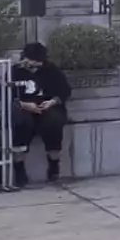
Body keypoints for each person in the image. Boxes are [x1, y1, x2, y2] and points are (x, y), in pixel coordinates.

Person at [10, 41, 72, 186]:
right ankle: (19, 169)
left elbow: (64, 91)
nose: (33, 69)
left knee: (54, 121)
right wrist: (25, 105)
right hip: (24, 108)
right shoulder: (15, 71)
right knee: (22, 123)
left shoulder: (52, 70)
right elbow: (8, 96)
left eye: (37, 65)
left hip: (47, 106)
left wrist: (51, 102)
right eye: (30, 65)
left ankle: (54, 165)